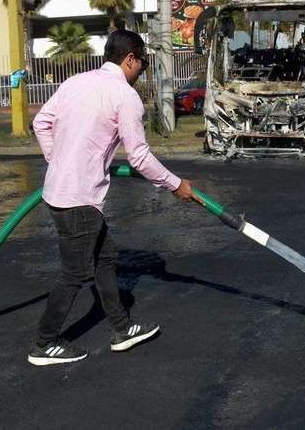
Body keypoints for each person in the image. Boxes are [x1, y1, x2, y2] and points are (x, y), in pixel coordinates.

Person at [28, 29, 203, 366]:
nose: (140, 74)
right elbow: (139, 157)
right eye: (141, 67)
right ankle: (43, 343)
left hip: (58, 193)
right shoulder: (124, 96)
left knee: (105, 257)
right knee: (74, 274)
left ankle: (122, 329)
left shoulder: (75, 82)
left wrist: (58, 161)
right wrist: (175, 184)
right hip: (79, 200)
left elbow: (41, 123)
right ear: (130, 60)